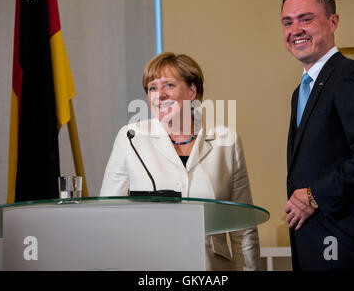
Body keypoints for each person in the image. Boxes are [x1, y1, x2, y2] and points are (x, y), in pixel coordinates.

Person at [100, 52, 260, 270]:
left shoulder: (226, 140)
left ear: (192, 91)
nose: (159, 95)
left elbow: (244, 227)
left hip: (211, 268)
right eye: (152, 88)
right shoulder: (131, 137)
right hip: (149, 267)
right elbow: (108, 215)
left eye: (169, 85)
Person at [281, 0, 354, 271]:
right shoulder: (300, 92)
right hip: (315, 247)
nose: (296, 30)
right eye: (288, 22)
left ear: (333, 22)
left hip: (346, 248)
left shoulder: (349, 75)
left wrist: (314, 195)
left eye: (306, 19)